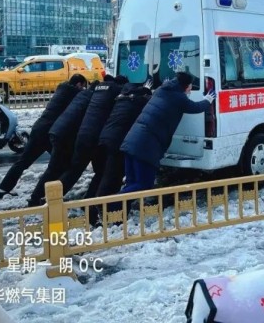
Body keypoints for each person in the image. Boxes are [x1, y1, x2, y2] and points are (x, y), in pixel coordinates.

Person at [118, 72, 215, 197]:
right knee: (144, 184)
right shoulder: (179, 98)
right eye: (190, 87)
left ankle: (116, 213)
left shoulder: (162, 90)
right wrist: (208, 100)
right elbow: (195, 107)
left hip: (132, 142)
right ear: (185, 86)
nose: (190, 90)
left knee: (132, 183)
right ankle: (109, 205)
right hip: (145, 148)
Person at [0, 74, 88, 199]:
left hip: (39, 128)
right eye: (83, 87)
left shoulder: (62, 89)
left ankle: (2, 189)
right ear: (79, 84)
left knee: (23, 162)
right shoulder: (74, 93)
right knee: (61, 164)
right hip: (51, 133)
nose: (83, 89)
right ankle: (46, 194)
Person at [84, 81, 153, 225]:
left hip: (104, 139)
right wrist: (147, 92)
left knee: (102, 175)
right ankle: (101, 210)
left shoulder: (121, 99)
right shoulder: (137, 101)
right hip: (117, 143)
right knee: (112, 179)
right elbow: (148, 101)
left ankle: (92, 204)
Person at [26, 78, 101, 207]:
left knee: (56, 169)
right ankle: (43, 199)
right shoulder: (94, 100)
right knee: (63, 169)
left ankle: (37, 198)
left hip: (57, 131)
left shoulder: (82, 95)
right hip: (66, 136)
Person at [57, 75, 129, 196]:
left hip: (83, 134)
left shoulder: (99, 91)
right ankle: (90, 201)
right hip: (96, 139)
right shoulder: (116, 93)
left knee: (74, 170)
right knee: (102, 172)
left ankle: (52, 197)